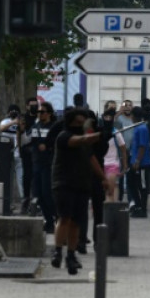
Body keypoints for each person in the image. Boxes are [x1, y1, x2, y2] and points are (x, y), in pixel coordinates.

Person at [50, 108, 111, 274]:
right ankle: (58, 251)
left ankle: (71, 254)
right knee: (64, 217)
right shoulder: (64, 136)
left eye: (83, 122)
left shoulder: (85, 143)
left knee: (76, 222)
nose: (82, 125)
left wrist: (103, 178)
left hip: (82, 184)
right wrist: (100, 135)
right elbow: (80, 140)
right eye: (79, 122)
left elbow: (92, 159)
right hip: (64, 183)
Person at [30, 102, 57, 233]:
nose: (40, 114)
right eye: (38, 112)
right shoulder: (35, 126)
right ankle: (49, 221)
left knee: (47, 194)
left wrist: (48, 147)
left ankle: (56, 216)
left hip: (48, 164)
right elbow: (29, 141)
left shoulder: (53, 127)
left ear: (49, 113)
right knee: (38, 194)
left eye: (42, 112)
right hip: (37, 163)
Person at [127, 106, 150, 217]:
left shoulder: (142, 128)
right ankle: (138, 205)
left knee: (142, 186)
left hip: (142, 163)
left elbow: (142, 146)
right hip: (134, 161)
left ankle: (142, 209)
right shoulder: (137, 127)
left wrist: (138, 160)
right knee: (131, 182)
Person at [101, 108, 128, 202]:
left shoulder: (116, 133)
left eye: (110, 117)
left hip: (113, 164)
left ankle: (113, 206)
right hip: (101, 164)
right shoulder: (100, 133)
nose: (108, 119)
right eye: (106, 117)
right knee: (104, 190)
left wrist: (125, 165)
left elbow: (123, 150)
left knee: (111, 188)